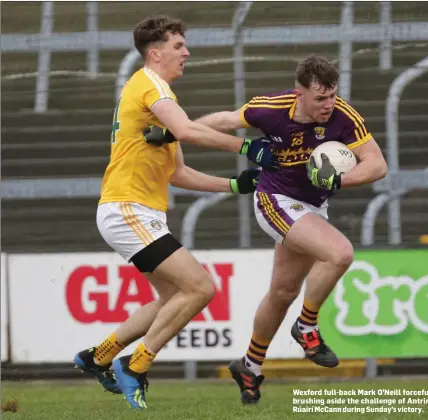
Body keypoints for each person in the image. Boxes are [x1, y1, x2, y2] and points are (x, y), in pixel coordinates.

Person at [151, 55, 388, 404]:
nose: (329, 105)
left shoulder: (343, 116)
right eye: (320, 98)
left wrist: (338, 178)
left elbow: (377, 165)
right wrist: (174, 132)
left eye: (333, 95)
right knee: (340, 253)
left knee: (282, 293)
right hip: (275, 199)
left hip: (312, 207)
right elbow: (227, 120)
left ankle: (250, 366)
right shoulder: (272, 107)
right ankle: (306, 327)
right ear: (299, 93)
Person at [73, 15, 279, 410]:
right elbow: (187, 131)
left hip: (135, 210)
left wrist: (233, 185)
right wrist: (247, 148)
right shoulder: (150, 85)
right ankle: (135, 365)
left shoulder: (156, 94)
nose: (186, 52)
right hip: (126, 208)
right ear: (156, 53)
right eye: (179, 46)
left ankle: (97, 357)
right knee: (201, 288)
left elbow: (177, 172)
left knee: (174, 296)